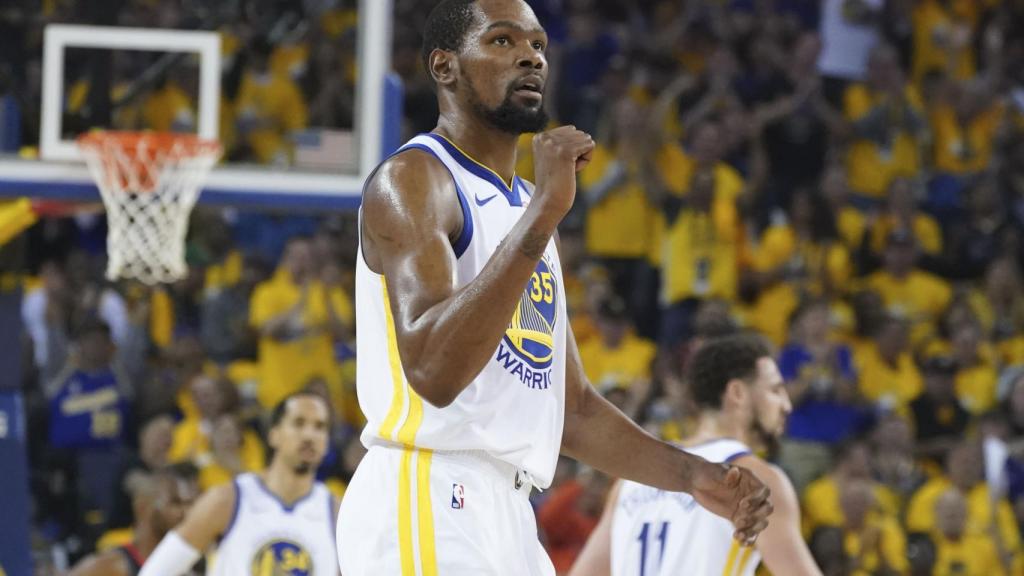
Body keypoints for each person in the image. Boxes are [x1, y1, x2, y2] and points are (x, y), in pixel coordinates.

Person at [336, 1, 773, 575]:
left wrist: (692, 476)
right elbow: (433, 372)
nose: (529, 57)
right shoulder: (415, 179)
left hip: (510, 508)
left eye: (539, 44)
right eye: (501, 41)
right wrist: (543, 215)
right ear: (445, 67)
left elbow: (571, 411)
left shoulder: (526, 207)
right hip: (427, 486)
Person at [569, 334, 820, 576]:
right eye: (775, 390)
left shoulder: (631, 481)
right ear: (737, 393)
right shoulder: (754, 478)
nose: (786, 404)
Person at [138, 392, 338, 576]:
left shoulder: (338, 513)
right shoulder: (228, 500)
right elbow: (157, 570)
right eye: (298, 423)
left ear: (327, 441)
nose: (309, 435)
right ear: (274, 434)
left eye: (319, 427)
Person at [68, 463, 200, 576]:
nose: (186, 512)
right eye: (175, 502)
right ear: (143, 507)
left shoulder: (194, 563)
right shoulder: (109, 567)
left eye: (191, 504)